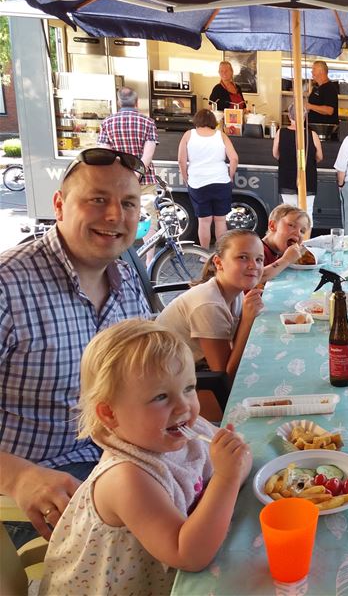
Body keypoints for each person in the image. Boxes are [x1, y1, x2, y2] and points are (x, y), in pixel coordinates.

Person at [0, 149, 151, 544]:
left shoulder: (127, 279)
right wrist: (18, 477)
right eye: (97, 199)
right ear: (59, 205)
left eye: (128, 203)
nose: (115, 216)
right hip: (31, 501)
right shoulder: (6, 286)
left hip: (119, 467)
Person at [38, 320, 252, 594]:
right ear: (110, 414)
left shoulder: (187, 429)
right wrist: (226, 478)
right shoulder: (127, 478)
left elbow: (239, 464)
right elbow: (188, 555)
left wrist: (233, 461)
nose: (183, 406)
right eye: (161, 397)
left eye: (188, 388)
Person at [157, 230, 264, 420]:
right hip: (170, 388)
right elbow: (225, 378)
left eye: (259, 259)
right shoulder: (209, 305)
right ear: (218, 262)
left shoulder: (235, 291)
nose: (253, 266)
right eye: (242, 257)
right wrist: (247, 320)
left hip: (197, 371)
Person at [97, 86, 159, 263]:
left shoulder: (107, 123)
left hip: (118, 182)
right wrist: (136, 174)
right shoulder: (148, 122)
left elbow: (106, 154)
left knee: (118, 217)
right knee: (148, 218)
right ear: (137, 102)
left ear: (118, 102)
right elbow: (147, 155)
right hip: (145, 180)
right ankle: (149, 261)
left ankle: (120, 259)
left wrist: (124, 175)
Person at [178, 109, 239, 249]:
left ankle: (204, 255)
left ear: (196, 120)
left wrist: (185, 177)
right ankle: (221, 253)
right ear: (213, 121)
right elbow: (234, 158)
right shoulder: (221, 135)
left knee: (204, 222)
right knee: (220, 220)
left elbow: (181, 160)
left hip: (198, 182)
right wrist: (230, 175)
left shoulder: (188, 135)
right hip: (221, 182)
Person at [273, 103, 323, 224]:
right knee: (307, 213)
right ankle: (305, 241)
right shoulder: (312, 134)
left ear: (289, 116)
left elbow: (275, 153)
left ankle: (290, 241)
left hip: (287, 176)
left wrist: (287, 159)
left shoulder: (281, 132)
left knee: (288, 214)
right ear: (305, 117)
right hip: (308, 176)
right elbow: (320, 156)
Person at [260, 204, 309, 282]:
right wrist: (286, 260)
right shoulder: (257, 250)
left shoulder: (279, 251)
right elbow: (255, 277)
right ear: (273, 226)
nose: (298, 233)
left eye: (302, 231)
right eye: (291, 225)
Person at [305, 60, 338, 127]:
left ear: (321, 71)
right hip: (312, 127)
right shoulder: (316, 87)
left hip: (323, 131)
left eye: (314, 69)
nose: (312, 72)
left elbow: (329, 110)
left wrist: (310, 106)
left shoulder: (330, 88)